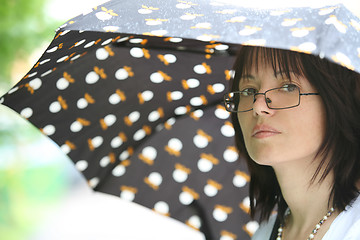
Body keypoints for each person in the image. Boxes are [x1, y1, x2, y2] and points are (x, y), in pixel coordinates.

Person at [224, 46, 360, 240]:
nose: (258, 105)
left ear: (338, 100)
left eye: (288, 86)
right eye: (248, 90)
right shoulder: (263, 234)